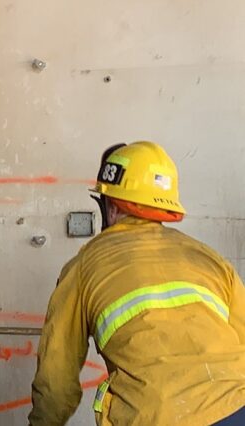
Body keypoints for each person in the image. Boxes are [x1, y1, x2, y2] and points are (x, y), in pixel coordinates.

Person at [28, 141, 245, 425]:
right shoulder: (211, 259)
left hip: (156, 415)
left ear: (112, 206)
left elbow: (56, 377)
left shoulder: (83, 267)